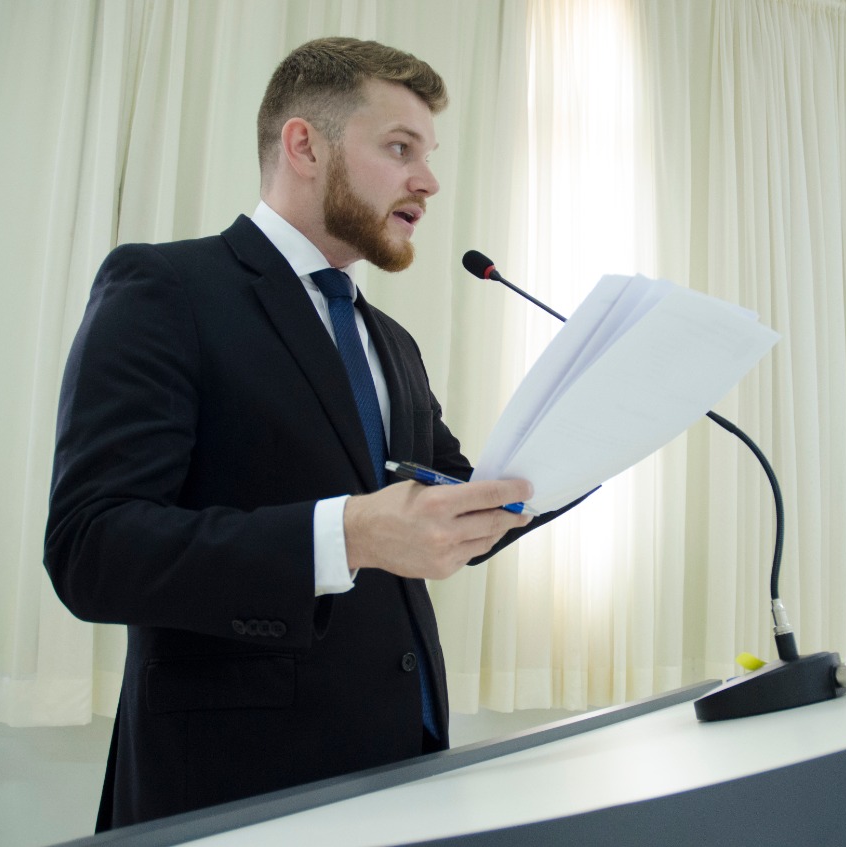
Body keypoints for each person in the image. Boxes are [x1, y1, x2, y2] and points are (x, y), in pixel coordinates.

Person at [45, 37, 562, 830]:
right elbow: (93, 547)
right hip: (233, 787)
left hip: (405, 763)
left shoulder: (389, 338)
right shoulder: (167, 288)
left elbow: (454, 496)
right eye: (400, 148)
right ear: (304, 145)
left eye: (429, 154)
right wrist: (345, 534)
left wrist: (579, 445)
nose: (428, 179)